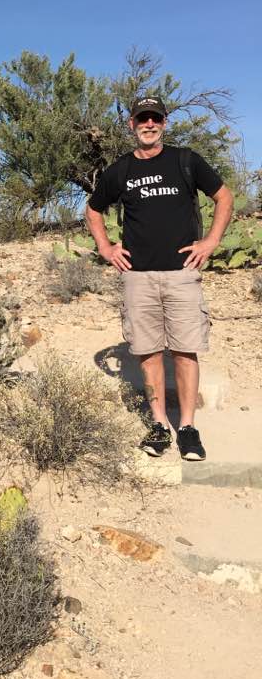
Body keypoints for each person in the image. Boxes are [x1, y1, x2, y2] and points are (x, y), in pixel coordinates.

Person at [85, 96, 233, 460]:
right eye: (141, 119)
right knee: (148, 353)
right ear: (131, 125)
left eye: (155, 119)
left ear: (164, 123)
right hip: (138, 277)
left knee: (185, 351)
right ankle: (156, 424)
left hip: (182, 274)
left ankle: (186, 427)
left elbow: (224, 197)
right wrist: (106, 248)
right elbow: (93, 210)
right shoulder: (120, 171)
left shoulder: (185, 161)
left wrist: (211, 241)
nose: (148, 125)